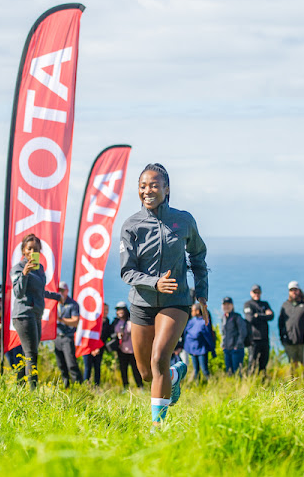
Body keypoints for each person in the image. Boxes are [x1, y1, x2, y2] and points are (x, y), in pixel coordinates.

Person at [120, 163, 208, 426]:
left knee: (158, 357)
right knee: (147, 373)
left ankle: (158, 428)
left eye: (155, 185)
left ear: (167, 189)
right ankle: (174, 373)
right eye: (143, 186)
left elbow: (198, 255)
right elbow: (126, 272)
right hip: (142, 302)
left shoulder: (184, 220)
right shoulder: (131, 226)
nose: (148, 190)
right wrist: (154, 283)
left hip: (176, 300)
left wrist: (201, 294)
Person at [10, 233, 51, 390]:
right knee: (31, 354)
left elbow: (40, 292)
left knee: (29, 352)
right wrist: (24, 274)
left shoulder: (40, 268)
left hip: (36, 314)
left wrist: (56, 296)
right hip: (23, 315)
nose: (33, 251)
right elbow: (18, 293)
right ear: (23, 251)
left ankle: (19, 387)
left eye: (36, 249)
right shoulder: (18, 268)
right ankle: (33, 392)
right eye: (29, 248)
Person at [51, 281, 83, 388]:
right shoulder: (54, 303)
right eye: (58, 290)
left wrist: (60, 320)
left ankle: (78, 386)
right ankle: (66, 386)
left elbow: (75, 321)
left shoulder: (73, 304)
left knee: (71, 364)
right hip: (57, 337)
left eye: (62, 290)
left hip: (67, 337)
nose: (60, 292)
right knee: (61, 364)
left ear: (67, 291)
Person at [279, 281, 304, 377]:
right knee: (292, 365)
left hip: (303, 342)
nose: (294, 292)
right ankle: (293, 385)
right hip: (290, 342)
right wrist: (282, 338)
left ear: (299, 290)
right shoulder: (285, 305)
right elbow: (281, 323)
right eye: (291, 290)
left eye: (295, 289)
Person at [112, 302, 144, 389]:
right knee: (123, 369)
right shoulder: (116, 322)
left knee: (136, 370)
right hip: (121, 349)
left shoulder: (132, 321)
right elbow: (111, 334)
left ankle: (140, 386)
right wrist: (117, 335)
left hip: (133, 350)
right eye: (118, 310)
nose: (119, 311)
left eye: (121, 309)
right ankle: (125, 387)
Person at [244, 284, 273, 375]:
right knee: (252, 363)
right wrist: (264, 315)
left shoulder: (265, 304)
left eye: (258, 292)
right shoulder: (248, 304)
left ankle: (263, 384)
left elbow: (271, 316)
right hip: (253, 340)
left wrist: (258, 315)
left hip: (264, 339)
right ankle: (250, 382)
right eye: (254, 292)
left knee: (263, 364)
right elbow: (250, 319)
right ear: (251, 293)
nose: (256, 294)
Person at [82, 302, 114, 386]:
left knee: (97, 367)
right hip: (88, 348)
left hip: (100, 349)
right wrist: (93, 348)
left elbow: (106, 336)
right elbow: (89, 335)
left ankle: (97, 386)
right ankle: (85, 386)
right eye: (104, 309)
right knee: (87, 368)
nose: (106, 311)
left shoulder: (107, 321)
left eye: (107, 310)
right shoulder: (93, 320)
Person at [183, 302, 215, 383]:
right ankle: (198, 385)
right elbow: (186, 333)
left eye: (193, 310)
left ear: (198, 311)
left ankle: (211, 383)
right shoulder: (191, 321)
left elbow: (208, 336)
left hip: (201, 350)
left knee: (204, 369)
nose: (191, 312)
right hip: (193, 349)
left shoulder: (204, 321)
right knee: (196, 370)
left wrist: (212, 349)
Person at [221, 296, 248, 376]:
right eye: (224, 304)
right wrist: (223, 345)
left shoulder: (237, 317)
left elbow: (243, 332)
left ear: (232, 306)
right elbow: (223, 333)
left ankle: (239, 387)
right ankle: (232, 387)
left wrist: (237, 346)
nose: (226, 306)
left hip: (236, 349)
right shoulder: (224, 317)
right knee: (229, 372)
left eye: (228, 304)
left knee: (237, 372)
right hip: (227, 349)